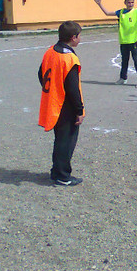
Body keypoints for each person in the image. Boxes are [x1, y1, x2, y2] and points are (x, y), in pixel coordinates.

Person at [38, 21, 85, 186]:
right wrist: (79, 110)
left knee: (60, 139)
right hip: (65, 105)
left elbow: (40, 73)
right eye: (79, 36)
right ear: (73, 38)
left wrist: (51, 90)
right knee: (66, 141)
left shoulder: (50, 51)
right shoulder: (69, 58)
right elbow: (73, 88)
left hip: (53, 102)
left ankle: (56, 171)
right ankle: (63, 176)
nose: (80, 39)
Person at [94, 0, 137, 87]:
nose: (130, 4)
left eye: (132, 2)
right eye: (129, 2)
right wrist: (100, 4)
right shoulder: (120, 12)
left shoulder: (136, 11)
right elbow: (107, 13)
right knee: (124, 61)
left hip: (133, 40)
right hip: (124, 41)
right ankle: (123, 78)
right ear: (125, 3)